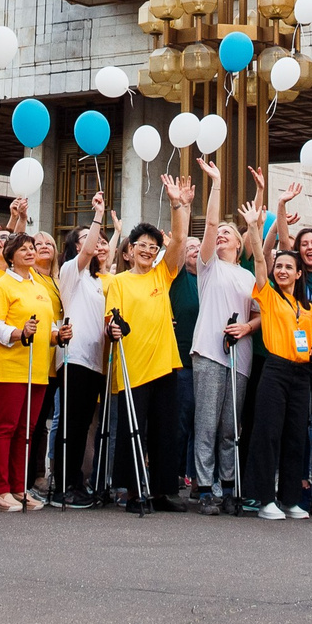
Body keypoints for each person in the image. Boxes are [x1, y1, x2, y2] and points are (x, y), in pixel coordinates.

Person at [101, 171, 196, 511]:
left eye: (152, 247)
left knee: (164, 432)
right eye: (141, 246)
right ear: (127, 252)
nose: (147, 250)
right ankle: (131, 491)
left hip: (163, 364)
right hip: (132, 367)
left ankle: (161, 491)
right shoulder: (119, 282)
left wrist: (176, 205)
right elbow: (112, 319)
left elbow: (180, 241)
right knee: (132, 431)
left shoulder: (162, 273)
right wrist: (113, 328)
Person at [186, 159, 257, 513]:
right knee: (207, 424)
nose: (224, 235)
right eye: (221, 234)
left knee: (230, 428)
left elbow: (260, 314)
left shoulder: (247, 276)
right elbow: (211, 222)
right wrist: (215, 182)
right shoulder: (208, 266)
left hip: (240, 357)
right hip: (210, 353)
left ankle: (228, 486)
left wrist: (246, 327)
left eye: (231, 232)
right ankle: (203, 488)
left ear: (241, 243)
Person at [0, 227, 56, 512]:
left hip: (38, 368)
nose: (31, 251)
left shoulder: (39, 286)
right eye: (24, 248)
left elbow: (45, 325)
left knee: (28, 430)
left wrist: (59, 334)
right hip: (11, 367)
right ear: (11, 256)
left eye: (32, 247)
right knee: (5, 428)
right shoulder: (2, 286)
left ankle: (18, 487)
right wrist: (19, 333)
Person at [240, 245, 312, 519]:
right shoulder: (270, 296)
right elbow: (260, 261)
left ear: (299, 274)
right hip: (275, 370)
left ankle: (290, 499)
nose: (282, 271)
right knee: (269, 434)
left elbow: (311, 340)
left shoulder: (306, 308)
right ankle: (264, 499)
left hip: (302, 373)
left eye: (289, 267)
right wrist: (253, 228)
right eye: (280, 266)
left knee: (296, 436)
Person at [56, 210, 112, 508]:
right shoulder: (70, 272)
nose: (95, 244)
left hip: (95, 362)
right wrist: (98, 216)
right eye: (89, 240)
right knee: (71, 424)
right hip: (74, 357)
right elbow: (90, 248)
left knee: (84, 425)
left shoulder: (97, 280)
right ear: (76, 246)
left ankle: (78, 479)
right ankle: (64, 483)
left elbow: (101, 252)